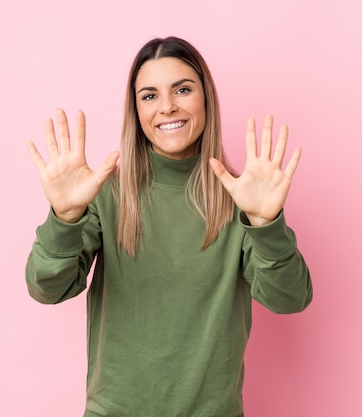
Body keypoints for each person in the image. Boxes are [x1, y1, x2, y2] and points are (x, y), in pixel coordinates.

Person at [25, 36, 312, 417]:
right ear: (136, 112)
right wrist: (64, 218)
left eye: (182, 89)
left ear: (206, 98)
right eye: (149, 96)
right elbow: (47, 288)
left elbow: (290, 298)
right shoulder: (106, 193)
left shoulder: (242, 197)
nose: (167, 106)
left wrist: (265, 224)